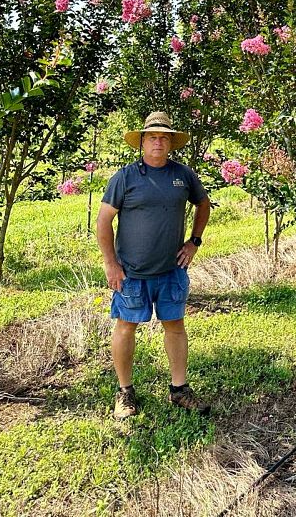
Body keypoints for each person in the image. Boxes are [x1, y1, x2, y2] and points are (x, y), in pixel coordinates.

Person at [96, 110, 211, 420]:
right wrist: (111, 263)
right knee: (125, 327)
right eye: (152, 137)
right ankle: (124, 393)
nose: (158, 142)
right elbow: (104, 221)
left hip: (172, 271)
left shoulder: (183, 175)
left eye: (164, 137)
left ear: (171, 143)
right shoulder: (125, 177)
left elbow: (203, 204)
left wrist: (194, 242)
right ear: (142, 142)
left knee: (175, 326)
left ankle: (179, 390)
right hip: (131, 273)